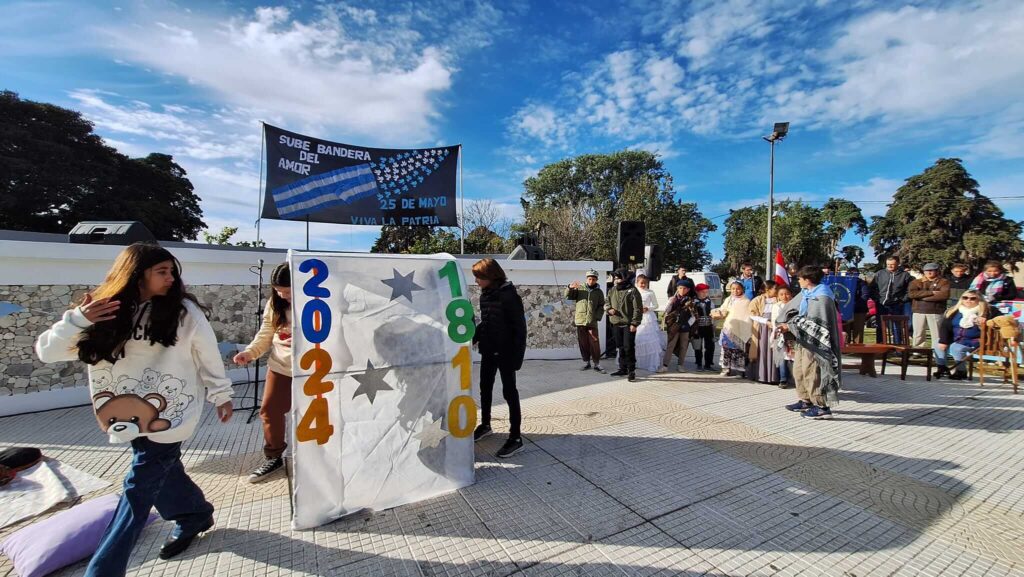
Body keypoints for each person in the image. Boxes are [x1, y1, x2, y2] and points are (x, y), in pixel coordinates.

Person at [34, 243, 234, 576]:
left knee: (138, 488)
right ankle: (193, 513)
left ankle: (104, 569)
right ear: (136, 274)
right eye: (162, 272)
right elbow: (48, 353)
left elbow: (207, 353)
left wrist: (221, 394)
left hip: (171, 413)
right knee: (162, 470)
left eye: (172, 271)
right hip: (123, 414)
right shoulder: (105, 310)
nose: (171, 278)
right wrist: (78, 320)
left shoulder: (183, 311)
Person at [233, 263, 292, 483]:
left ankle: (322, 456)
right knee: (269, 411)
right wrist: (250, 353)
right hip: (281, 366)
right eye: (278, 290)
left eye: (287, 291)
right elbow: (266, 332)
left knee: (320, 413)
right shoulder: (274, 303)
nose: (282, 295)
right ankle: (274, 456)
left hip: (314, 369)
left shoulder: (316, 301)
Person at [470, 258, 527, 458]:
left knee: (509, 393)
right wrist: (473, 337)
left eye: (478, 277)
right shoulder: (485, 295)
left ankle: (516, 438)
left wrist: (516, 359)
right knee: (484, 388)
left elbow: (520, 330)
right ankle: (485, 424)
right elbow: (486, 322)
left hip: (506, 353)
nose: (476, 281)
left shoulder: (509, 296)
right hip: (488, 350)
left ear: (490, 276)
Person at [778, 266, 841, 420]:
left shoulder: (822, 297)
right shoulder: (806, 293)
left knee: (812, 372)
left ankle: (821, 406)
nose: (798, 281)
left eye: (800, 278)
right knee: (799, 370)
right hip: (802, 339)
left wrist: (790, 325)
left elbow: (815, 324)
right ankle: (806, 400)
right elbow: (790, 309)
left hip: (816, 343)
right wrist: (783, 322)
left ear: (808, 280)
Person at [937, 289, 997, 380]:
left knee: (956, 348)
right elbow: (945, 326)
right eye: (965, 298)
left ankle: (961, 371)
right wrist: (943, 341)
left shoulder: (988, 310)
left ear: (979, 300)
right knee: (937, 343)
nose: (968, 300)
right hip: (956, 338)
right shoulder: (954, 310)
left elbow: (1002, 320)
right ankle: (942, 368)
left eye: (972, 298)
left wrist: (988, 321)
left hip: (976, 340)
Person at [908, 263, 950, 367]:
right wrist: (932, 293)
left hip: (936, 311)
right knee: (918, 333)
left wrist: (921, 297)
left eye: (932, 270)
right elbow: (912, 294)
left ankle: (937, 354)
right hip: (918, 310)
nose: (929, 272)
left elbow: (944, 295)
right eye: (927, 271)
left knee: (936, 334)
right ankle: (917, 351)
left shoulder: (943, 282)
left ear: (937, 271)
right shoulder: (916, 282)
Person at [605, 269, 643, 382]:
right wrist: (609, 309)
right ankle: (622, 368)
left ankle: (631, 370)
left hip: (628, 324)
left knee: (628, 347)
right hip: (616, 323)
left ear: (625, 278)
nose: (616, 280)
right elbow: (607, 302)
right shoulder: (612, 290)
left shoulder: (633, 291)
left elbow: (638, 309)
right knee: (620, 347)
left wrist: (634, 323)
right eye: (615, 278)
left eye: (618, 278)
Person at [565, 269, 606, 373]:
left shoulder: (599, 292)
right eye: (589, 279)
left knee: (594, 342)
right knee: (583, 343)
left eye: (593, 279)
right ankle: (586, 362)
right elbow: (568, 296)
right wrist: (570, 287)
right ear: (586, 279)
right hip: (580, 320)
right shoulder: (580, 289)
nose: (591, 281)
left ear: (596, 280)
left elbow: (602, 305)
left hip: (592, 321)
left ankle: (597, 363)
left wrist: (597, 316)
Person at [711, 282, 751, 377]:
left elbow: (746, 316)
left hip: (740, 329)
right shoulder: (728, 299)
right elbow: (723, 309)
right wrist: (718, 312)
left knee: (738, 350)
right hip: (728, 328)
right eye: (733, 289)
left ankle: (739, 370)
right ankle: (726, 369)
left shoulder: (746, 301)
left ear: (742, 289)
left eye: (738, 289)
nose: (735, 291)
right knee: (726, 349)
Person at [869, 256, 911, 342]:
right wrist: (876, 298)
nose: (890, 266)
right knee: (880, 326)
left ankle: (898, 346)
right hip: (882, 304)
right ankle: (880, 346)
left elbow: (909, 290)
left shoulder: (904, 275)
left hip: (897, 304)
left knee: (897, 326)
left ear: (898, 264)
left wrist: (902, 300)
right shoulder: (880, 273)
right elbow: (872, 287)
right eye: (888, 264)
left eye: (892, 264)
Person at [749, 281, 780, 384]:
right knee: (762, 350)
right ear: (768, 289)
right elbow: (752, 314)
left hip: (775, 327)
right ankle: (762, 375)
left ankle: (774, 376)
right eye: (775, 289)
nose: (777, 291)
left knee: (774, 350)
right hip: (762, 329)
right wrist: (766, 322)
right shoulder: (757, 300)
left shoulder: (778, 299)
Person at [659, 282, 695, 373]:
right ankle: (665, 365)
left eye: (685, 288)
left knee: (683, 346)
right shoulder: (672, 299)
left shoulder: (690, 301)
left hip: (685, 327)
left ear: (688, 290)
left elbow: (694, 316)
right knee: (670, 345)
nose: (682, 290)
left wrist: (688, 324)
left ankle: (680, 365)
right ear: (677, 289)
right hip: (674, 326)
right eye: (680, 288)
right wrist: (670, 303)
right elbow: (666, 311)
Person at [634, 273, 666, 373]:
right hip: (636, 317)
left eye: (645, 283)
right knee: (637, 339)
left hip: (647, 317)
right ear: (637, 282)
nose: (643, 285)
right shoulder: (633, 291)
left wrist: (648, 308)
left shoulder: (650, 292)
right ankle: (636, 362)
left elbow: (656, 305)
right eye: (641, 283)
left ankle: (650, 363)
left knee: (650, 341)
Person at [772, 284, 796, 388]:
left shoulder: (795, 305)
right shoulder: (776, 306)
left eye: (787, 294)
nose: (784, 296)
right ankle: (783, 379)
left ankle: (796, 379)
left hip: (792, 334)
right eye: (781, 294)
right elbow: (774, 320)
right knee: (782, 356)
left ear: (791, 294)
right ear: (778, 296)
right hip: (780, 334)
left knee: (793, 357)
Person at [690, 283, 716, 371]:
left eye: (706, 292)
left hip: (708, 326)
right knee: (698, 346)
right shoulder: (693, 302)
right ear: (697, 292)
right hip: (698, 327)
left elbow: (713, 313)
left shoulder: (710, 302)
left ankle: (708, 364)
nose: (705, 294)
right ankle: (699, 364)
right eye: (702, 292)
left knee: (710, 346)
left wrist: (713, 323)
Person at [844, 267, 871, 344]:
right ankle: (846, 348)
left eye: (854, 274)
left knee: (858, 330)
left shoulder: (862, 283)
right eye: (850, 274)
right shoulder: (844, 283)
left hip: (859, 310)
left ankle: (858, 348)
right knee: (846, 330)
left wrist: (853, 304)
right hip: (846, 310)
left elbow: (865, 296)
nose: (852, 276)